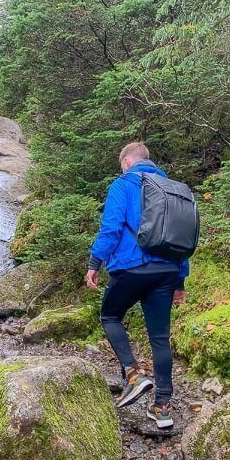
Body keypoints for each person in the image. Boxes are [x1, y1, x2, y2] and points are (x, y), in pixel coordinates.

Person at [86, 142, 189, 429]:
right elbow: (182, 236)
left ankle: (133, 374)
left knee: (109, 315)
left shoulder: (123, 184)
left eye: (122, 165)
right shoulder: (173, 189)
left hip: (132, 266)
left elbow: (112, 226)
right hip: (167, 271)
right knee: (160, 337)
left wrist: (95, 262)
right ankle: (163, 408)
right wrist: (180, 280)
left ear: (128, 162)